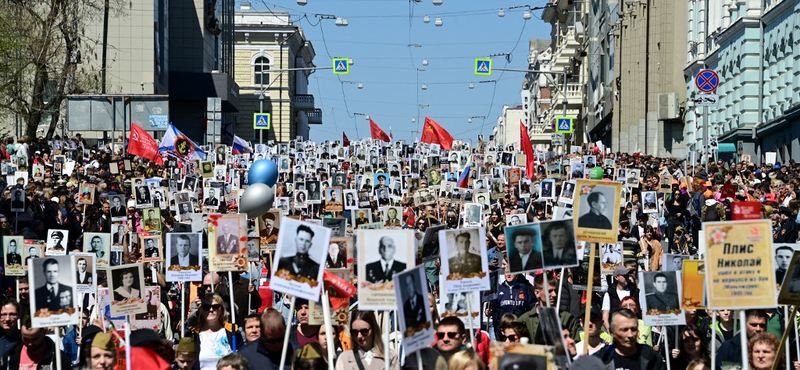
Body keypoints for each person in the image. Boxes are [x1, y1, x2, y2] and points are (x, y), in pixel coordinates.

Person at [594, 309, 665, 370]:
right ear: (612, 332)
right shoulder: (601, 359)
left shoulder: (651, 357)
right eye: (624, 330)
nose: (630, 335)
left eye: (633, 329)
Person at [190, 294, 242, 370]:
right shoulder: (194, 334)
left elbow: (241, 358)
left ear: (221, 310)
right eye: (206, 307)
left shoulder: (232, 331)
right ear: (202, 310)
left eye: (215, 307)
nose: (211, 310)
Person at [0, 322, 70, 370]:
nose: (30, 343)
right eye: (26, 339)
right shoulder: (11, 356)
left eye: (34, 339)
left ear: (44, 333)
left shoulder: (58, 358)